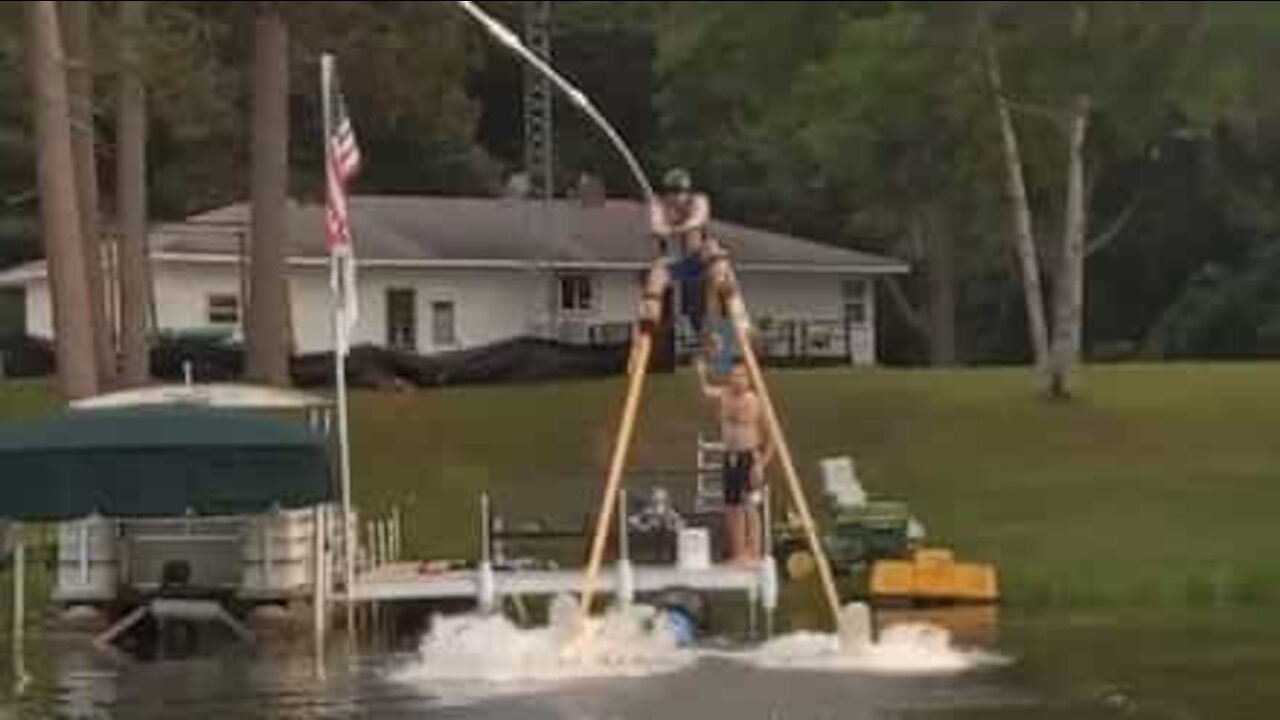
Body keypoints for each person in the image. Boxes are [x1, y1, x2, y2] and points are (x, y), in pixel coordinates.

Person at [695, 355, 773, 565]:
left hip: (749, 456)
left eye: (742, 375)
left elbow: (772, 435)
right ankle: (738, 553)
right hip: (730, 456)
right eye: (734, 374)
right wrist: (701, 372)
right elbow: (706, 391)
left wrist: (761, 463)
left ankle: (754, 552)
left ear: (749, 378)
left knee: (750, 505)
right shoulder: (724, 395)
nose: (737, 379)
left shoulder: (755, 401)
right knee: (732, 506)